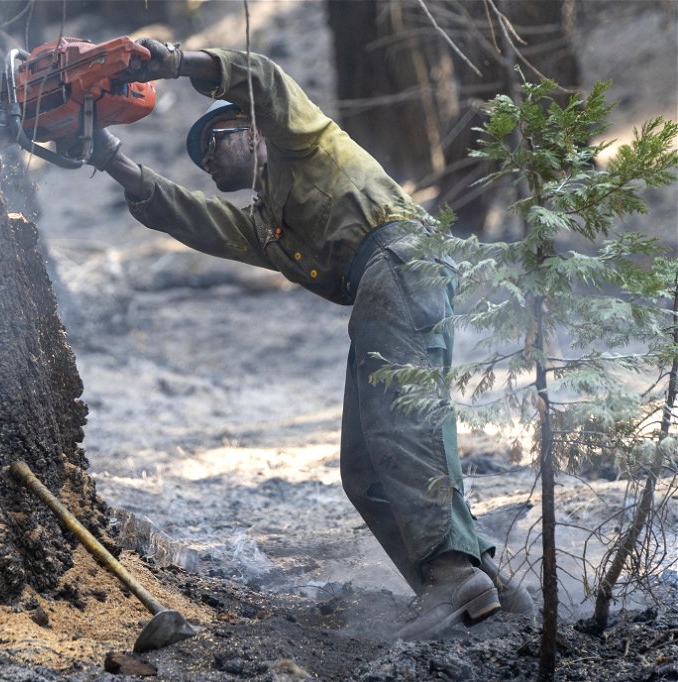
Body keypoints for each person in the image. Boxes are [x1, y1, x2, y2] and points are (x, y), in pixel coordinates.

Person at [83, 39, 533, 640]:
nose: (207, 163)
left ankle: (453, 575)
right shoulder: (267, 226)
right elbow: (189, 216)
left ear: (255, 132)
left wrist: (172, 62)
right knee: (364, 470)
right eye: (200, 159)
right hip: (385, 284)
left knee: (403, 426)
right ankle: (488, 590)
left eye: (214, 144)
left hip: (398, 262)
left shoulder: (301, 140)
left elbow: (262, 77)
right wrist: (106, 157)